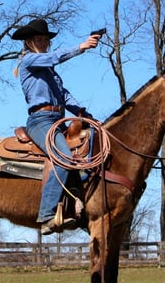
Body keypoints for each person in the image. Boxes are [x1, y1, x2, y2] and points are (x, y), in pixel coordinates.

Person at [11, 18, 102, 235]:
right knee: (63, 157)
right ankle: (46, 215)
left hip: (58, 119)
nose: (43, 43)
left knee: (86, 153)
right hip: (40, 121)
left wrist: (82, 113)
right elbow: (54, 57)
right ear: (29, 42)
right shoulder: (29, 61)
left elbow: (63, 95)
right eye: (39, 39)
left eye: (45, 40)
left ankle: (78, 203)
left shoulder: (50, 72)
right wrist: (81, 47)